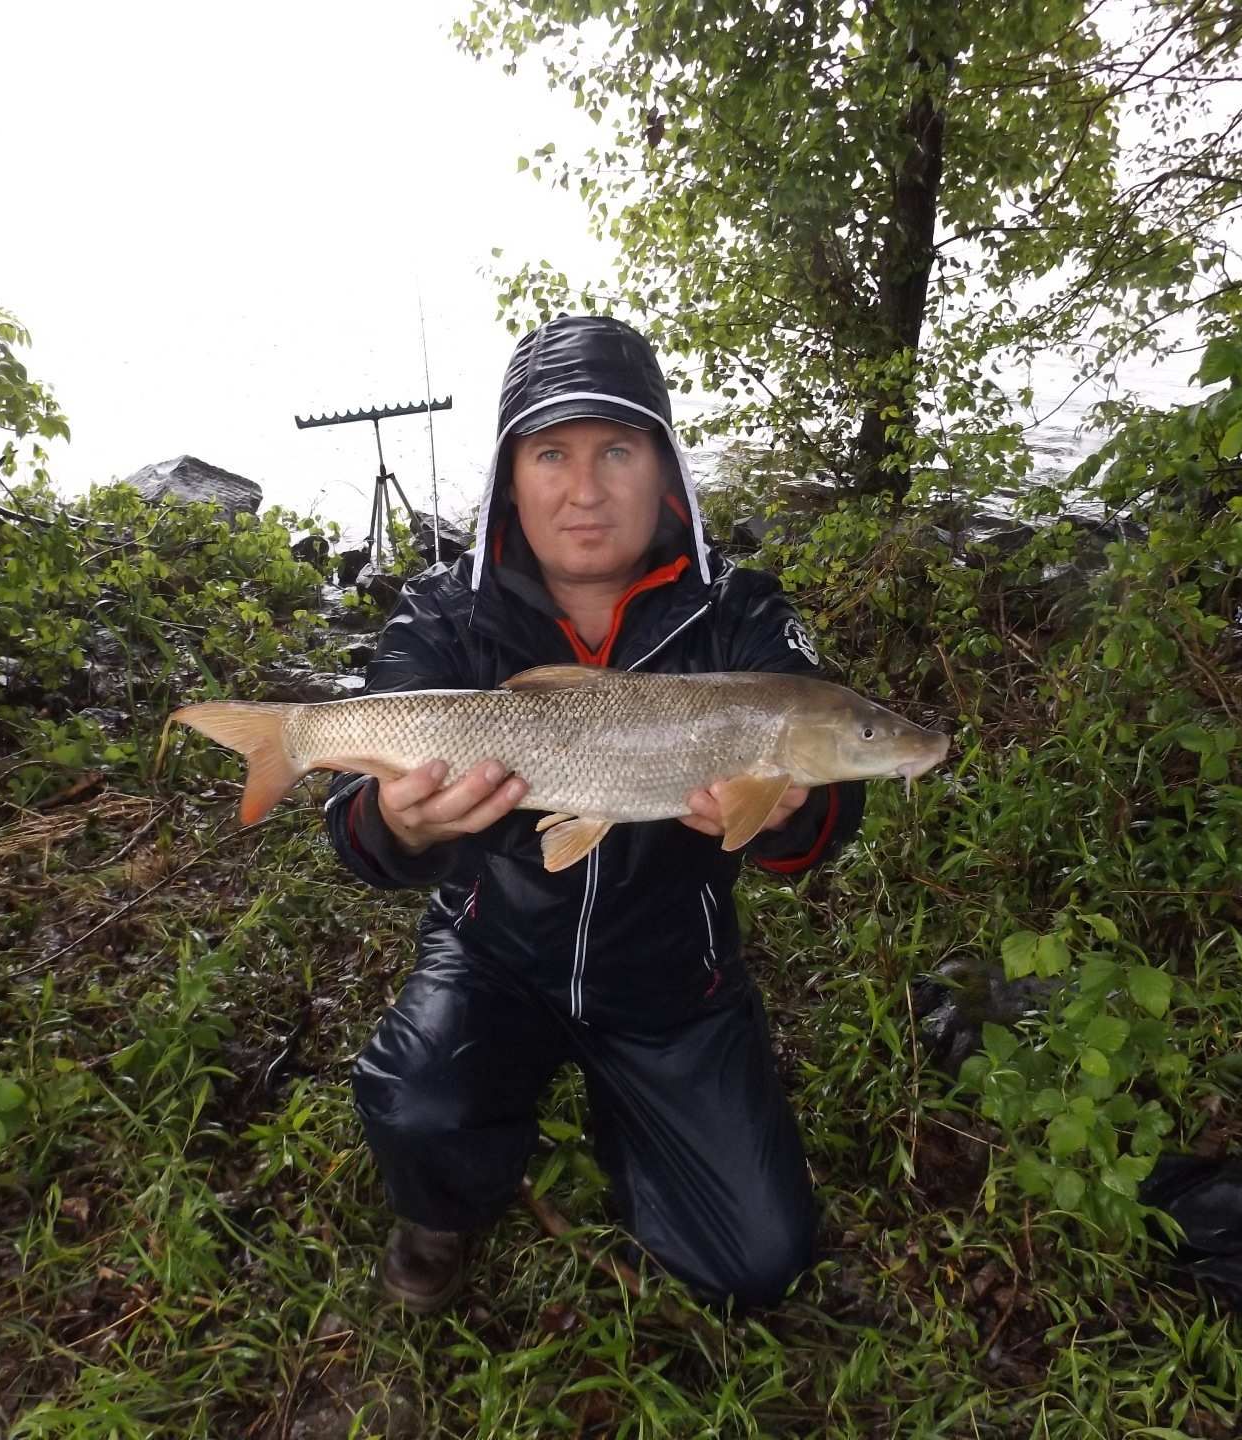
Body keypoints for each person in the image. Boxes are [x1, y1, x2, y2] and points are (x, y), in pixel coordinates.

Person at [324, 315, 864, 1314]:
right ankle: (443, 1211)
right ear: (510, 477)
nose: (583, 489)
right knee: (418, 1104)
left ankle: (638, 1121)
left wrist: (786, 816)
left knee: (759, 1263)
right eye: (552, 453)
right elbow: (353, 823)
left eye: (616, 449)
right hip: (497, 952)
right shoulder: (442, 615)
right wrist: (401, 824)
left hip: (673, 975)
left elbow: (831, 812)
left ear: (665, 470)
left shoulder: (739, 614)